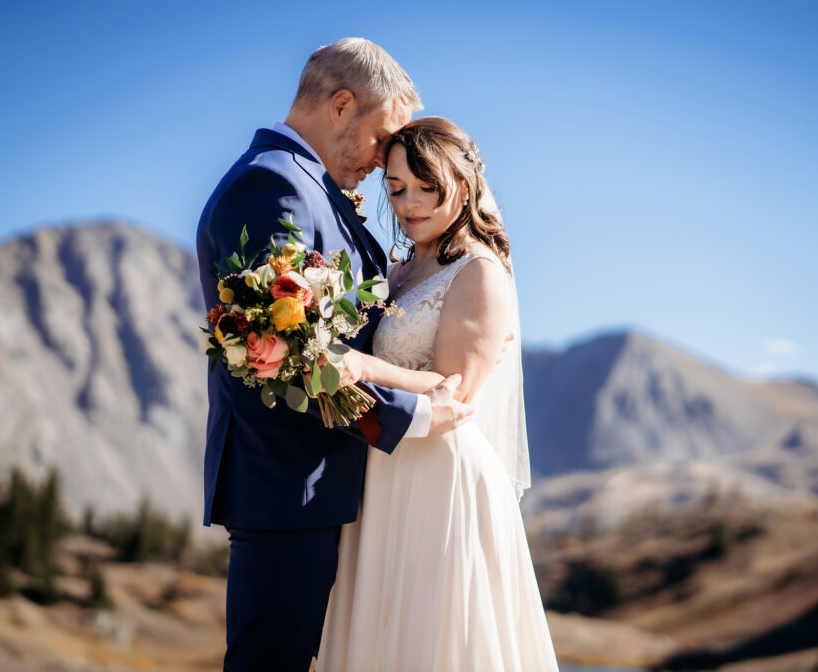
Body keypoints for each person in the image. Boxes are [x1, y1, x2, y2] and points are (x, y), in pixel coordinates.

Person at [195, 39, 472, 671]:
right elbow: (290, 352)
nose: (383, 164)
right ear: (342, 105)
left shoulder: (302, 185)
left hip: (321, 484)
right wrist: (411, 416)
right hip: (289, 482)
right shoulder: (272, 185)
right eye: (382, 139)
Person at [317, 117, 559, 671]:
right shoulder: (398, 267)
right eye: (397, 188)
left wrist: (357, 365)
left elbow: (455, 393)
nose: (410, 203)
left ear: (465, 183)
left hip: (440, 474)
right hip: (386, 465)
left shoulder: (480, 272)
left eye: (428, 186)